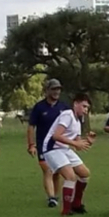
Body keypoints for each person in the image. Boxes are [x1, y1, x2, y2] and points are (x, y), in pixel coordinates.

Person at [42, 93, 95, 216]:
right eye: (84, 106)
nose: (86, 110)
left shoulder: (78, 120)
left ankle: (76, 204)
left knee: (84, 174)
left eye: (87, 108)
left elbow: (77, 143)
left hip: (64, 149)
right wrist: (75, 144)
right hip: (52, 148)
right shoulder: (67, 115)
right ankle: (66, 211)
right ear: (75, 104)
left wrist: (88, 142)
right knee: (70, 176)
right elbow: (56, 136)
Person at [27, 79, 69, 208]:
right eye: (54, 89)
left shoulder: (64, 107)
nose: (57, 91)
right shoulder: (39, 107)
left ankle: (54, 196)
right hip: (43, 145)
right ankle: (51, 197)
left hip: (59, 145)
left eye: (58, 89)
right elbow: (31, 126)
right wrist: (31, 144)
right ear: (47, 90)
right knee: (48, 170)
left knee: (57, 171)